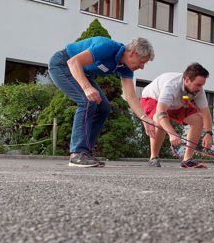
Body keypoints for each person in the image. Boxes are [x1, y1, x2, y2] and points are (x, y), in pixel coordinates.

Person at [48, 36, 156, 167]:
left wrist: (145, 118)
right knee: (87, 101)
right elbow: (73, 62)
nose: (142, 67)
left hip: (83, 72)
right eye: (142, 62)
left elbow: (131, 97)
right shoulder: (107, 46)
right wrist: (87, 88)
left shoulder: (125, 67)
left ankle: (85, 152)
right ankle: (77, 153)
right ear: (133, 53)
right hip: (63, 64)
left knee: (104, 107)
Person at [140, 63, 213, 169]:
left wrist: (208, 133)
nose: (200, 88)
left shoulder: (198, 90)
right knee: (159, 121)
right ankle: (153, 158)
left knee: (198, 119)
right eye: (198, 85)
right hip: (153, 99)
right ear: (187, 80)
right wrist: (172, 134)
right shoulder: (171, 86)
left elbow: (206, 112)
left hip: (175, 103)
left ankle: (187, 160)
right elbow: (161, 112)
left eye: (202, 85)